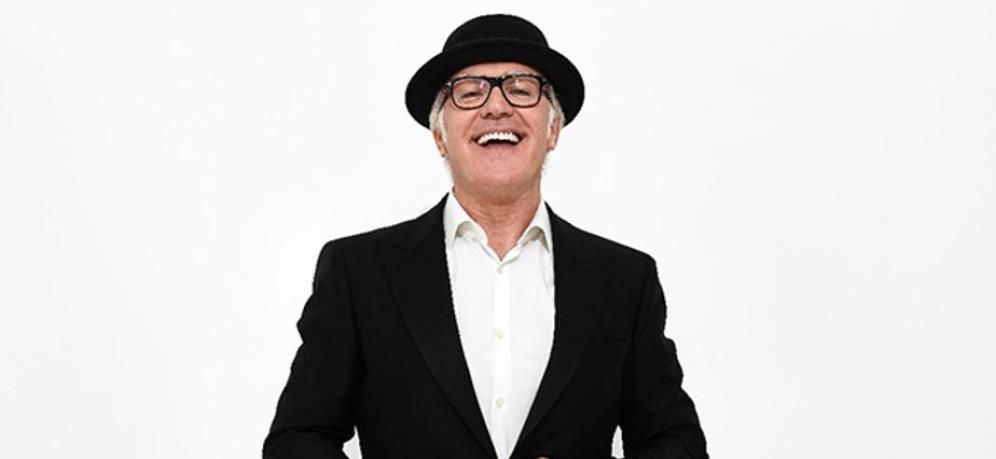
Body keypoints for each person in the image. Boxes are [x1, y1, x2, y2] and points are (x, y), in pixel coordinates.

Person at [263, 14, 708, 459]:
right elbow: (296, 440)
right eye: (470, 91)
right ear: (440, 135)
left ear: (553, 129)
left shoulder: (624, 280)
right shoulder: (359, 272)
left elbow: (678, 442)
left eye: (522, 89)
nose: (496, 107)